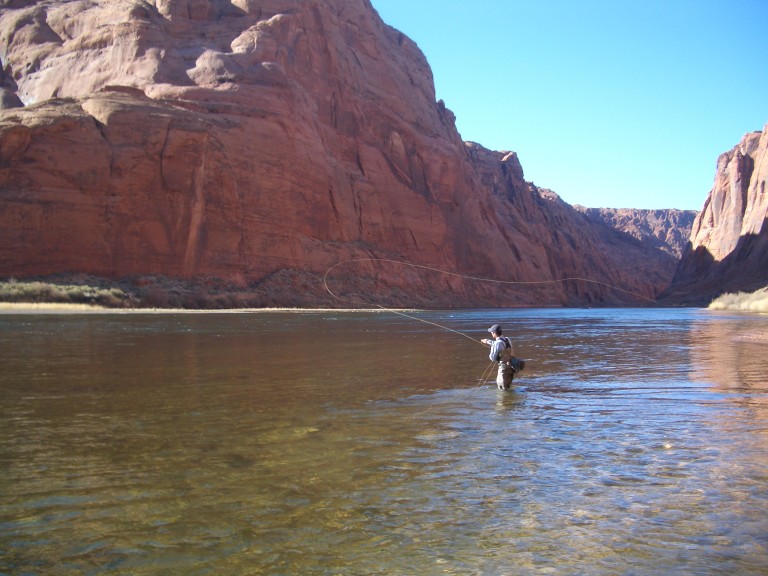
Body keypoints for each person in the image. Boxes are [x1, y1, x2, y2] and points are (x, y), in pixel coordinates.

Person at [481, 324, 519, 390]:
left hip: (503, 369)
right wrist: (487, 341)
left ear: (494, 333)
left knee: (502, 388)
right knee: (507, 386)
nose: (491, 333)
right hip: (511, 367)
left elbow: (492, 358)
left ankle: (505, 400)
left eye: (491, 332)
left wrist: (492, 348)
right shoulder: (507, 339)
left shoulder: (497, 343)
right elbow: (500, 344)